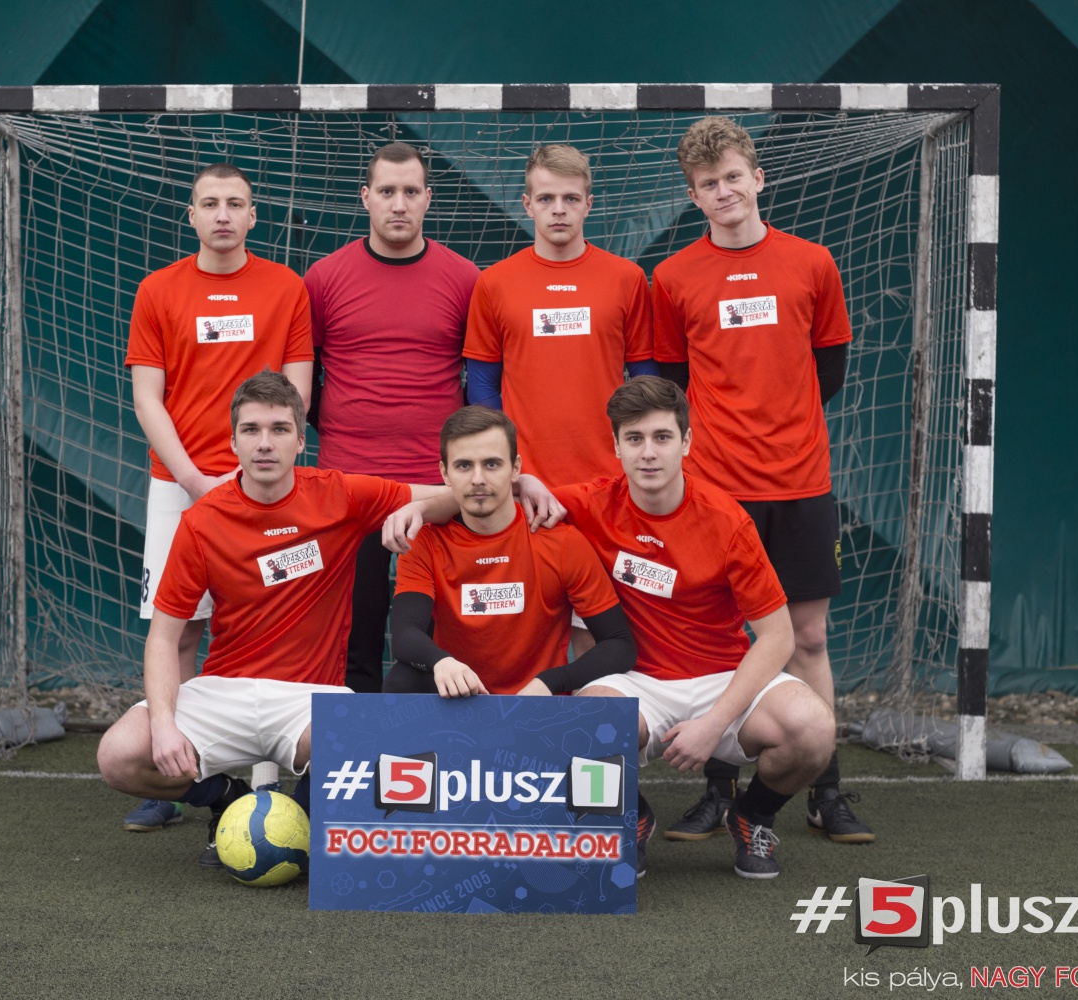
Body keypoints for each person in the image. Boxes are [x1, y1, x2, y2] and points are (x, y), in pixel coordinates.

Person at [390, 378, 836, 879]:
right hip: (637, 679)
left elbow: (778, 637)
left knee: (812, 728)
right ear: (617, 446)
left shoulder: (728, 521)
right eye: (634, 439)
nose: (649, 453)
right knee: (581, 724)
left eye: (662, 437)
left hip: (720, 676)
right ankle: (632, 818)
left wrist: (714, 725)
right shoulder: (590, 504)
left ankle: (753, 817)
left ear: (686, 442)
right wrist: (422, 507)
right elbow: (483, 492)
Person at [96, 371, 450, 869]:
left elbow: (450, 494)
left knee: (375, 750)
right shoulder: (201, 522)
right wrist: (163, 724)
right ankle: (226, 799)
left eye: (280, 429)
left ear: (301, 441)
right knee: (118, 755)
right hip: (224, 690)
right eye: (252, 430)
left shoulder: (341, 495)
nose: (265, 443)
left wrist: (420, 509)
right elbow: (162, 640)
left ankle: (295, 817)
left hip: (309, 696)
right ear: (233, 441)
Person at [651, 116, 870, 845]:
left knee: (808, 636)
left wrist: (782, 424)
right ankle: (718, 794)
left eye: (733, 177)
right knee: (718, 641)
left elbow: (828, 370)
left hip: (801, 482)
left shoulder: (812, 262)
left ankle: (824, 791)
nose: (724, 191)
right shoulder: (673, 277)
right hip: (713, 490)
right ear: (694, 196)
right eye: (708, 184)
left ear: (758, 179)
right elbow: (673, 383)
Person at [119, 163, 313, 832]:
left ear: (253, 216)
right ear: (192, 215)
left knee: (264, 626)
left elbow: (297, 391)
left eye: (235, 203)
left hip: (267, 488)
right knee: (176, 627)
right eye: (210, 203)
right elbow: (148, 399)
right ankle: (177, 777)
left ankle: (267, 784)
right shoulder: (158, 290)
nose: (223, 214)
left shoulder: (287, 287)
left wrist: (255, 475)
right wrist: (198, 481)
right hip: (181, 487)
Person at [304, 142, 481, 695]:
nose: (398, 204)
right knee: (351, 635)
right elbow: (305, 381)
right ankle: (354, 737)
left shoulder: (465, 278)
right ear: (366, 197)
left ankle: (442, 738)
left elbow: (478, 382)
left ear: (428, 198)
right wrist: (351, 430)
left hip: (437, 490)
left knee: (439, 636)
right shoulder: (324, 278)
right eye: (386, 191)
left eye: (410, 192)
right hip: (348, 485)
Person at [383, 406, 634, 701]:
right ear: (444, 473)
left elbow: (619, 644)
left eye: (492, 464)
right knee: (402, 679)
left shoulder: (561, 542)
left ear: (515, 469)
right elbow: (404, 635)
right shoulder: (424, 541)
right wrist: (442, 662)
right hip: (458, 700)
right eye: (464, 466)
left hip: (534, 705)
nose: (478, 478)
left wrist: (551, 682)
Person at [462, 144, 657, 489]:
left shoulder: (627, 278)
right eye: (546, 199)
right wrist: (508, 462)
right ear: (527, 205)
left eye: (570, 198)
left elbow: (645, 378)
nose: (558, 210)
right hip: (527, 481)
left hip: (611, 476)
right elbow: (481, 387)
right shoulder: (494, 283)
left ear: (588, 204)